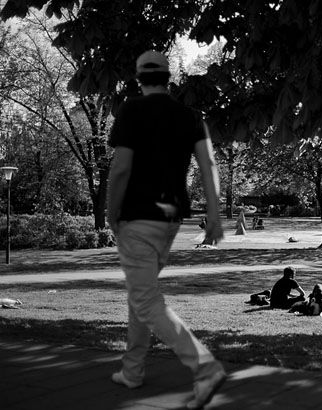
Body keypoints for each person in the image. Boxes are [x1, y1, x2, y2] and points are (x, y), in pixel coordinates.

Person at [107, 50, 226, 409]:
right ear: (168, 77)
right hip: (170, 219)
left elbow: (121, 169)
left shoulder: (130, 110)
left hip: (137, 218)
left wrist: (111, 214)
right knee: (140, 294)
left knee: (144, 298)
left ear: (139, 77)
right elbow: (208, 166)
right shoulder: (190, 116)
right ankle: (132, 371)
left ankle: (205, 368)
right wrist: (216, 215)